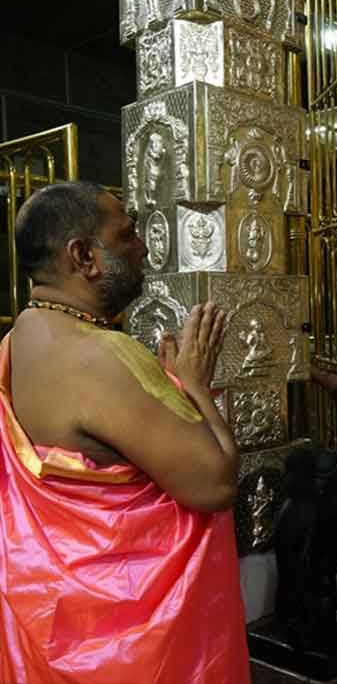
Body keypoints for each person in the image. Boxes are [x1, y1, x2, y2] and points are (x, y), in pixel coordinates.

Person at [0, 181, 250, 684]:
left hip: (55, 621)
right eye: (128, 234)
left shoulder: (12, 342)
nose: (143, 247)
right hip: (124, 647)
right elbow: (215, 484)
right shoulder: (101, 356)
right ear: (84, 256)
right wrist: (196, 385)